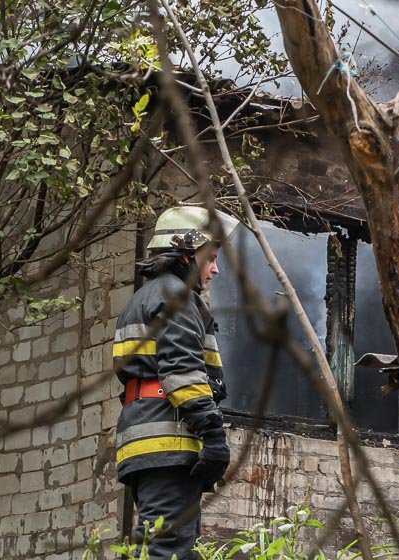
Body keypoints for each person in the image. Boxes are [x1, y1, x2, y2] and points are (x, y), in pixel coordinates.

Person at [113, 205, 237, 560]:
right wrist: (212, 434)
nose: (215, 268)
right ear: (185, 254)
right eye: (210, 258)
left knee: (172, 546)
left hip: (148, 439)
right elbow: (182, 371)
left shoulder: (145, 298)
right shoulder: (176, 297)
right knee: (166, 548)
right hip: (168, 439)